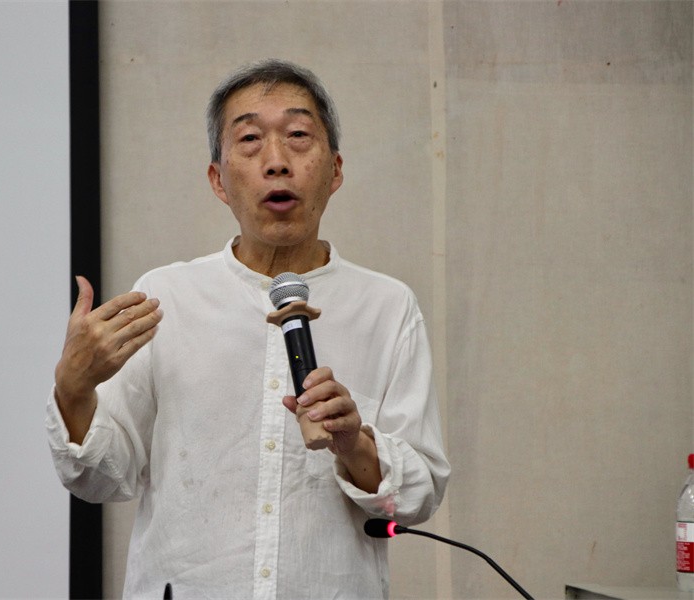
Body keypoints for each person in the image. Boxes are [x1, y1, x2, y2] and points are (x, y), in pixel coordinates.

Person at [46, 59, 450, 599]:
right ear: (219, 180)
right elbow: (100, 477)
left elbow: (419, 494)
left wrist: (355, 445)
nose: (276, 162)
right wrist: (73, 389)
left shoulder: (387, 307)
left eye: (298, 136)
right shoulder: (166, 298)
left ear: (334, 171)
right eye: (251, 140)